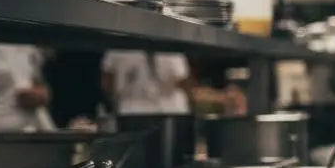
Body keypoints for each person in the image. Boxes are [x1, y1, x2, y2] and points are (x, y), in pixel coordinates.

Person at [101, 51, 246, 116]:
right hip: (168, 117)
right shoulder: (170, 46)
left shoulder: (117, 47)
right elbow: (187, 88)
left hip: (131, 115)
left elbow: (107, 83)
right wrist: (223, 97)